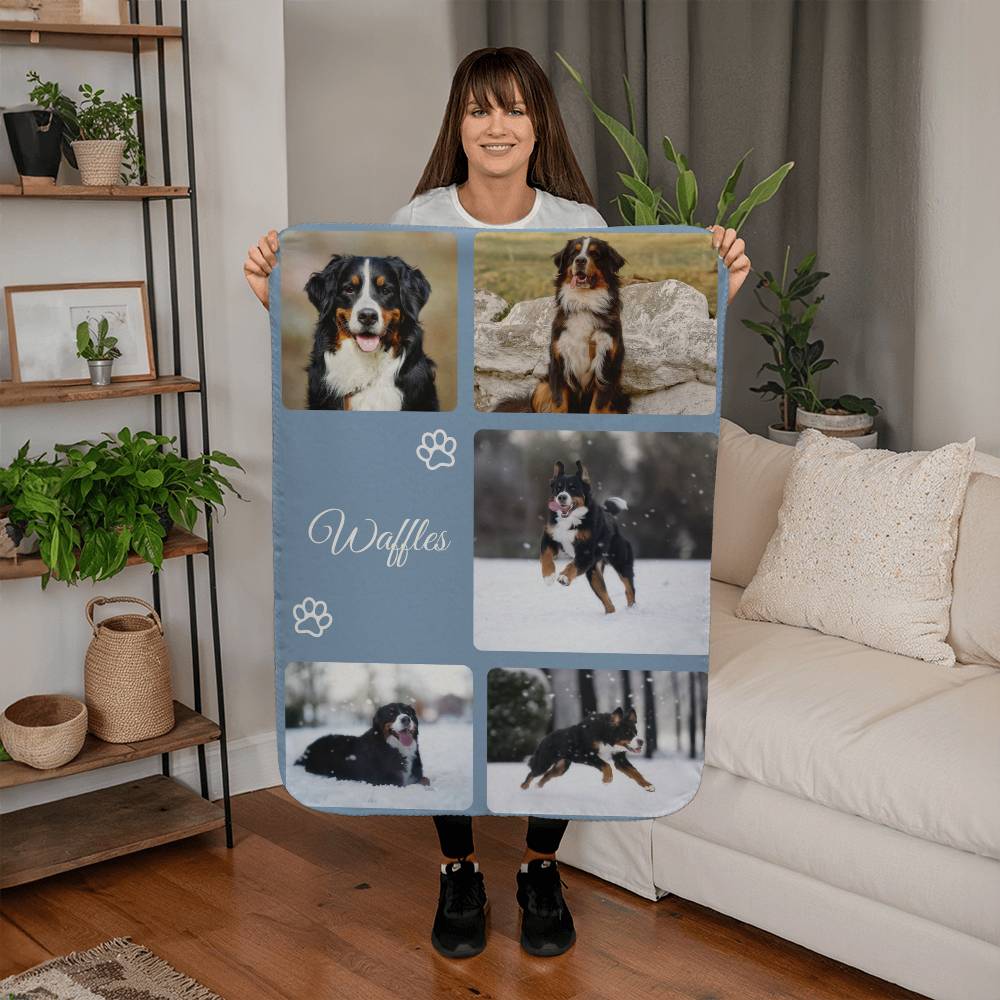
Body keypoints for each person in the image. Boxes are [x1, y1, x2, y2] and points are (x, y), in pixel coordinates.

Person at [243, 46, 750, 961]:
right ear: (460, 124)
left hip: (518, 447)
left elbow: (631, 330)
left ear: (538, 124)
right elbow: (369, 355)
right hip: (421, 482)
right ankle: (458, 869)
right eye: (480, 109)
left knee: (563, 654)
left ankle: (540, 866)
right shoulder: (418, 219)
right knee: (430, 651)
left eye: (514, 108)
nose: (497, 125)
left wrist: (721, 284)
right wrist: (269, 295)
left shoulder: (579, 223)